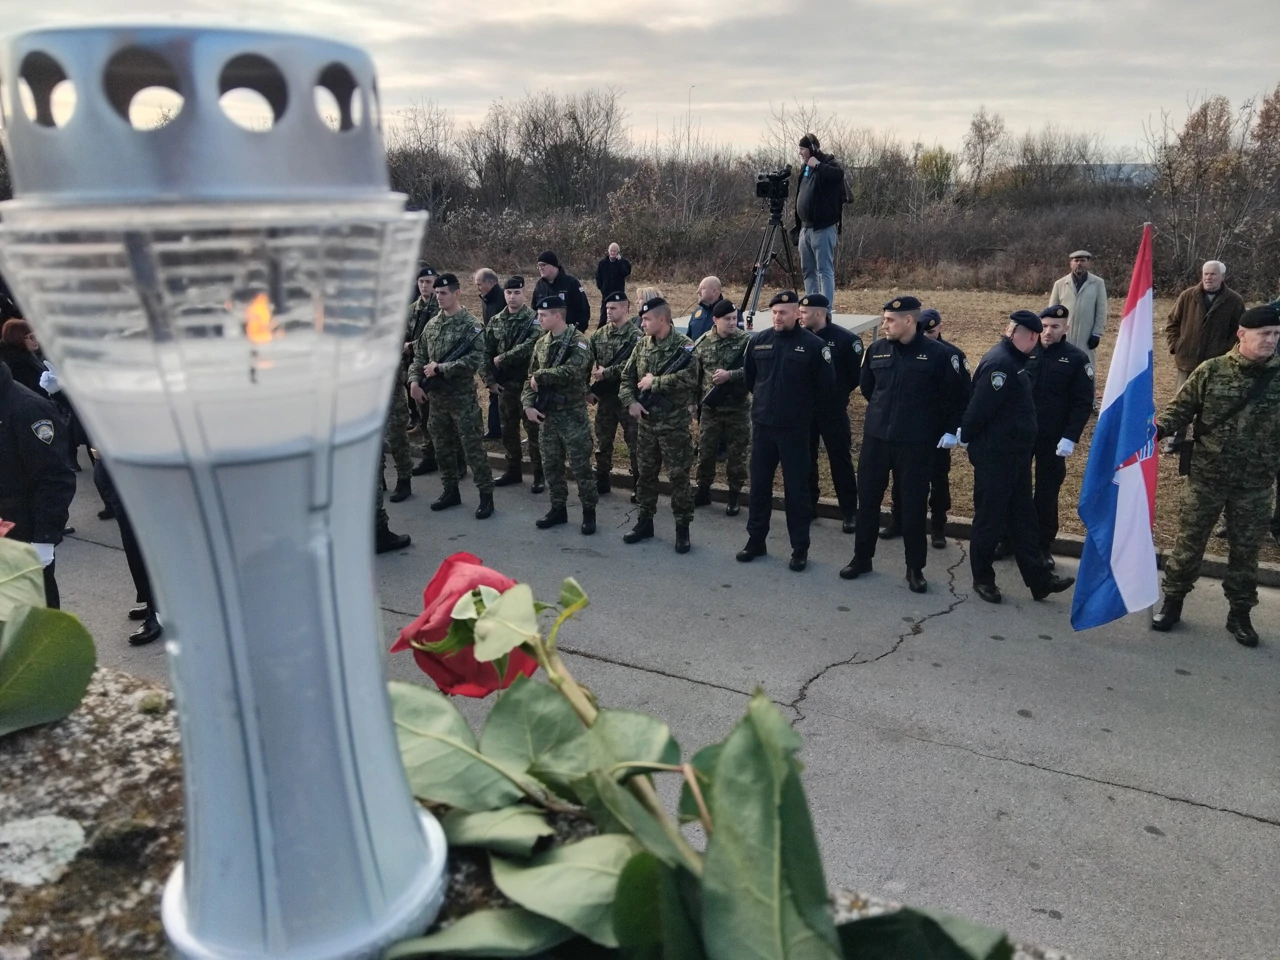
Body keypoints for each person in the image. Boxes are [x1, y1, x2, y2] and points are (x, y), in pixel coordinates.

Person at [1151, 303, 1280, 647]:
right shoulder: (1212, 371)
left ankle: (1240, 613)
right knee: (1188, 543)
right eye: (1264, 334)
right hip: (1207, 476)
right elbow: (1181, 408)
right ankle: (1173, 601)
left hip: (1255, 484)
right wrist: (1158, 429)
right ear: (1242, 335)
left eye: (1276, 335)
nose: (1271, 340)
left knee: (1246, 552)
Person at [840, 296, 966, 593]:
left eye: (889, 320)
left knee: (912, 507)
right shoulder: (877, 350)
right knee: (868, 501)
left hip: (916, 443)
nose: (884, 325)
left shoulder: (939, 355)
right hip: (877, 440)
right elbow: (870, 388)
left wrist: (949, 430)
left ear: (909, 321)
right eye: (884, 319)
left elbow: (958, 398)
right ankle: (862, 558)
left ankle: (914, 568)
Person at [962, 311, 1077, 604]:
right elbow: (978, 411)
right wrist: (972, 444)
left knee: (1024, 520)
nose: (1036, 341)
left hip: (1015, 457)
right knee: (989, 519)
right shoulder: (1001, 364)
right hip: (996, 457)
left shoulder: (1015, 361)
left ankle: (1039, 581)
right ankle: (983, 579)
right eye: (1033, 336)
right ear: (1023, 336)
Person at [736, 290, 837, 571]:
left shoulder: (815, 346)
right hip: (763, 428)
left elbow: (825, 389)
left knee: (797, 492)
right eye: (775, 312)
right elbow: (751, 378)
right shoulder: (759, 342)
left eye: (784, 312)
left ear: (797, 314)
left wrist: (800, 412)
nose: (778, 317)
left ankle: (799, 548)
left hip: (795, 431)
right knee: (758, 488)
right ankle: (756, 540)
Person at [408, 274, 496, 519]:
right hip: (437, 402)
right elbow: (419, 357)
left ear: (457, 293)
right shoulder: (432, 325)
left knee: (472, 450)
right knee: (442, 449)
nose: (438, 297)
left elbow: (474, 361)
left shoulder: (472, 325)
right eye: (436, 293)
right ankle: (450, 491)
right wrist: (414, 381)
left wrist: (442, 368)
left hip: (463, 401)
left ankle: (486, 496)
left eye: (443, 293)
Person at [881, 308, 970, 548]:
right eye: (923, 331)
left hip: (938, 432)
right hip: (909, 429)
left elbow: (962, 396)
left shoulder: (952, 355)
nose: (927, 336)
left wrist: (954, 429)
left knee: (938, 478)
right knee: (901, 477)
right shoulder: (904, 349)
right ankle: (897, 520)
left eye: (931, 331)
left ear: (940, 327)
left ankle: (938, 526)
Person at [619, 297, 698, 553]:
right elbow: (626, 377)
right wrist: (630, 401)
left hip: (674, 427)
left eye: (646, 319)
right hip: (646, 426)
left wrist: (657, 383)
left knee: (678, 479)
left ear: (662, 319)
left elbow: (692, 378)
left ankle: (682, 529)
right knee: (645, 476)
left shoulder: (684, 347)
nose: (642, 324)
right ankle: (644, 522)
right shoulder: (641, 345)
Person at [0, 359, 76, 608]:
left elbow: (54, 478)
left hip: (22, 534)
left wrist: (44, 538)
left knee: (36, 626)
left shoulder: (27, 409)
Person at [521, 296, 599, 534]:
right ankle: (558, 509)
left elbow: (574, 371)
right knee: (551, 465)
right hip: (548, 417)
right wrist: (527, 405)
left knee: (580, 467)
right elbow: (530, 377)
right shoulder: (541, 343)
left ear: (558, 316)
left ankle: (589, 512)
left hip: (572, 417)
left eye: (543, 315)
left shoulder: (578, 341)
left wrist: (541, 375)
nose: (538, 319)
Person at [1024, 304, 1094, 566]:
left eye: (1054, 327)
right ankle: (1010, 538)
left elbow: (1082, 402)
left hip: (1053, 438)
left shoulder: (1076, 359)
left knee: (1046, 491)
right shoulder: (1025, 351)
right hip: (1022, 433)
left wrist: (1070, 436)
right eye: (1044, 326)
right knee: (1015, 488)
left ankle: (1043, 546)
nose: (1048, 332)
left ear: (1066, 328)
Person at [1162, 260, 1246, 453]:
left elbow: (1241, 332)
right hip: (1187, 361)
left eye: (1213, 274)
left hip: (1218, 363)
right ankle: (1175, 441)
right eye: (1206, 274)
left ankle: (1206, 442)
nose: (1208, 277)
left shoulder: (1234, 300)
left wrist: (1229, 354)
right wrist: (1176, 346)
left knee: (1212, 404)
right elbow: (1172, 322)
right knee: (1181, 401)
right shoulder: (1187, 296)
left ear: (1223, 277)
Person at [798, 293, 860, 534]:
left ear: (818, 313)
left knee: (840, 459)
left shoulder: (846, 340)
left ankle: (849, 511)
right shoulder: (799, 337)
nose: (799, 316)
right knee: (806, 457)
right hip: (805, 408)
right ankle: (809, 503)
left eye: (803, 313)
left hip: (832, 410)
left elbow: (854, 377)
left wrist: (834, 395)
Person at [92, 455, 163, 644]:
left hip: (139, 473)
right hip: (116, 468)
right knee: (133, 547)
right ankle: (152, 602)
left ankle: (158, 611)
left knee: (146, 549)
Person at [484, 276, 543, 491]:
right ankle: (513, 470)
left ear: (524, 294)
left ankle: (539, 473)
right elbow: (486, 351)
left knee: (534, 431)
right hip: (505, 385)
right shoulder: (496, 321)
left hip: (528, 385)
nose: (512, 297)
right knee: (508, 430)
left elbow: (532, 345)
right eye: (508, 293)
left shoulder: (534, 319)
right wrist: (488, 380)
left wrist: (504, 357)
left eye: (517, 293)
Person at [692, 299, 751, 516]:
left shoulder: (746, 342)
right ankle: (703, 491)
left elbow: (755, 371)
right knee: (706, 452)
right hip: (711, 410)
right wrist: (692, 402)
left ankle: (734, 496)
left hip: (738, 409)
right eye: (727, 319)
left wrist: (730, 375)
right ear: (715, 320)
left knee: (737, 455)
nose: (732, 323)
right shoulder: (702, 343)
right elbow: (695, 377)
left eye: (735, 318)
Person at [589, 290, 642, 494]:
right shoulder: (599, 335)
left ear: (625, 308)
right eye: (607, 308)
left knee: (634, 443)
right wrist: (588, 389)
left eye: (613, 308)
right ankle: (602, 479)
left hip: (628, 399)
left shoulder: (637, 337)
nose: (608, 311)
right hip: (606, 399)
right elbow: (585, 362)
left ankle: (639, 485)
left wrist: (607, 372)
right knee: (603, 441)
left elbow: (635, 366)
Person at [791, 133, 845, 307]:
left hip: (822, 229)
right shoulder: (804, 167)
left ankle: (825, 309)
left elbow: (839, 175)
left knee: (824, 271)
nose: (800, 152)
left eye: (802, 149)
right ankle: (810, 307)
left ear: (812, 149)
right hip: (805, 229)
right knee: (808, 271)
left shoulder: (827, 162)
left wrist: (819, 165)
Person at [1048, 249, 1108, 384]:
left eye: (1082, 260)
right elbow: (1051, 311)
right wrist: (1052, 332)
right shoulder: (1060, 284)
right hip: (1064, 336)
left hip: (1086, 336)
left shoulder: (1097, 283)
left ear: (1088, 263)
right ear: (1071, 263)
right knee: (1061, 367)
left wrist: (1097, 333)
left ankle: (1089, 402)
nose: (1079, 264)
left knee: (1086, 368)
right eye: (1076, 261)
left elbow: (1101, 310)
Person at [407, 267, 441, 475]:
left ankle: (457, 460)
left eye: (429, 282)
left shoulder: (442, 307)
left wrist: (411, 345)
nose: (425, 286)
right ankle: (430, 457)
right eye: (421, 281)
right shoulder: (412, 309)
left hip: (438, 368)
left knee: (444, 421)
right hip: (417, 367)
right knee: (425, 416)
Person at [475, 267, 507, 439]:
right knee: (493, 390)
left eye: (480, 284)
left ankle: (501, 428)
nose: (477, 288)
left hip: (502, 351)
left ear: (491, 283)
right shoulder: (486, 298)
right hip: (491, 349)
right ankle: (495, 429)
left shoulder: (502, 299)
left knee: (502, 390)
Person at [532, 250, 592, 333]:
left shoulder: (571, 283)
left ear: (554, 266)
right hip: (544, 335)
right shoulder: (540, 285)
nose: (541, 268)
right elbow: (534, 310)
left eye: (544, 265)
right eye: (539, 265)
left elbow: (583, 309)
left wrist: (577, 332)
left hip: (568, 333)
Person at [0, 319, 48, 397]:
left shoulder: (27, 354)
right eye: (31, 337)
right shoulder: (18, 366)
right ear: (18, 338)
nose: (36, 340)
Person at [594, 243, 631, 326]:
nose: (612, 253)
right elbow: (597, 276)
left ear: (618, 252)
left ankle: (621, 325)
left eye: (614, 251)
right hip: (606, 292)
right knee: (604, 311)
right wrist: (601, 287)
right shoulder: (603, 263)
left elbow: (626, 272)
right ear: (608, 251)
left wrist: (620, 262)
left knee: (619, 310)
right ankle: (601, 328)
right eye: (611, 251)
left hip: (618, 292)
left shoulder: (623, 262)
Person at [687, 276, 728, 341]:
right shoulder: (697, 312)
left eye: (702, 288)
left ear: (714, 291)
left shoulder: (729, 312)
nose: (698, 292)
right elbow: (688, 339)